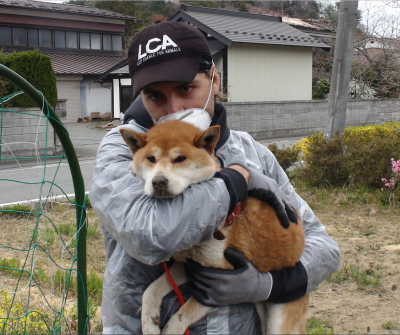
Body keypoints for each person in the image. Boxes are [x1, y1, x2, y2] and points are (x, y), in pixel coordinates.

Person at [89, 21, 340, 334]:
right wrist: (235, 182)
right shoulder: (124, 149)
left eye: (186, 89)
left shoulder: (252, 153)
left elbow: (324, 248)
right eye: (155, 97)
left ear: (214, 80)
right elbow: (150, 235)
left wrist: (268, 284)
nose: (174, 109)